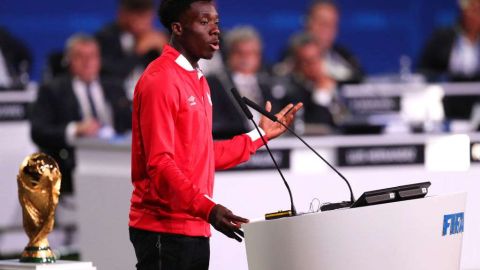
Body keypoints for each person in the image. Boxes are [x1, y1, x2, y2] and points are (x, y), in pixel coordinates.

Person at [128, 0, 303, 269]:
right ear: (178, 28)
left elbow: (202, 154)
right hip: (164, 229)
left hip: (195, 226)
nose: (215, 30)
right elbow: (160, 164)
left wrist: (260, 136)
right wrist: (208, 208)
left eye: (216, 22)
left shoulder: (198, 79)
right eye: (204, 22)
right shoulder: (161, 80)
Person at [30, 34, 131, 195]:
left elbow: (130, 122)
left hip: (118, 157)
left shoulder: (114, 87)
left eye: (92, 56)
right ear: (69, 59)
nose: (87, 62)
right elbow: (38, 131)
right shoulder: (53, 90)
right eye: (80, 57)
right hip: (72, 161)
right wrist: (75, 129)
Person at [207, 26, 288, 139]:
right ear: (229, 54)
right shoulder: (215, 83)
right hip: (232, 142)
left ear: (259, 56)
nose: (245, 58)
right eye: (240, 53)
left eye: (251, 53)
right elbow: (215, 122)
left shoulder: (268, 83)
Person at [277, 33, 347, 133]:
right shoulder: (293, 93)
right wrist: (322, 93)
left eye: (317, 58)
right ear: (297, 65)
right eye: (308, 61)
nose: (315, 65)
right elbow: (318, 126)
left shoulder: (339, 83)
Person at [95, 0, 168, 94]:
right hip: (119, 102)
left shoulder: (161, 38)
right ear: (122, 14)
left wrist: (165, 53)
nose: (142, 22)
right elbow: (109, 75)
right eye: (137, 15)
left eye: (146, 15)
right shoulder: (105, 38)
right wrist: (138, 51)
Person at [418, 0, 480, 81]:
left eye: (477, 11)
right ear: (463, 12)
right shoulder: (442, 37)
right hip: (446, 91)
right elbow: (424, 70)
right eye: (470, 10)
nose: (473, 16)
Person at [303, 0, 363, 84]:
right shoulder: (290, 61)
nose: (327, 30)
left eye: (332, 25)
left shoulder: (344, 57)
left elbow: (360, 82)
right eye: (322, 23)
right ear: (307, 24)